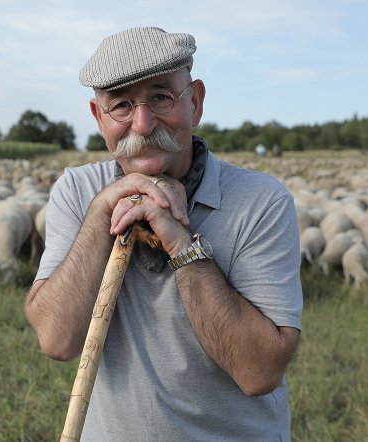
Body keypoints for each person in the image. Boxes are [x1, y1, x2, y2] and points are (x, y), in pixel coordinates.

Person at [25, 27, 303, 441]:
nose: (142, 122)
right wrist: (104, 209)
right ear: (98, 118)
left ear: (195, 101)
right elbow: (57, 340)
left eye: (160, 97)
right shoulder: (78, 191)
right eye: (120, 104)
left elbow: (257, 372)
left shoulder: (261, 203)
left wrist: (180, 242)